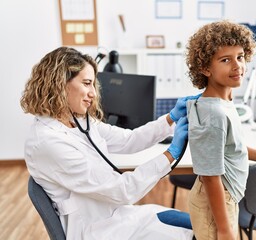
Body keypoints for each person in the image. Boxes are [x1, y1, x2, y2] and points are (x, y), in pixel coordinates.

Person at [20, 46, 199, 240]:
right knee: (196, 233)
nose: (93, 93)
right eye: (87, 83)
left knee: (198, 226)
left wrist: (170, 118)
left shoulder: (79, 122)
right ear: (60, 84)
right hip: (97, 231)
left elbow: (129, 140)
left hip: (118, 216)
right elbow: (123, 190)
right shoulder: (47, 142)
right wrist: (171, 154)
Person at [185, 20, 256, 240]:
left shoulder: (224, 100)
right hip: (215, 203)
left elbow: (231, 147)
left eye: (240, 57)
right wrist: (224, 229)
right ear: (205, 68)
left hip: (223, 198)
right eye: (226, 60)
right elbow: (211, 175)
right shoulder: (214, 114)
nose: (237, 66)